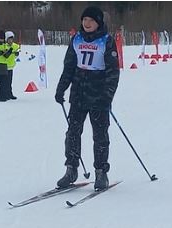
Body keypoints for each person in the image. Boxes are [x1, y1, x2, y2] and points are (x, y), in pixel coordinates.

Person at [55, 6, 120, 191]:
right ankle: (71, 169)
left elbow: (113, 72)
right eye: (84, 20)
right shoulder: (76, 39)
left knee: (100, 135)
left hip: (99, 96)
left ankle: (101, 172)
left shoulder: (106, 41)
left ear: (98, 22)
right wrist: (61, 89)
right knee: (72, 133)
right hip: (78, 95)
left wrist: (108, 95)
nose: (87, 23)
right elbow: (69, 67)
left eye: (91, 20)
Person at [4, 31, 21, 100]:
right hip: (4, 66)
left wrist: (17, 53)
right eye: (9, 39)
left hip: (11, 66)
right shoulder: (4, 46)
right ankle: (5, 94)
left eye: (11, 39)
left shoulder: (15, 46)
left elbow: (17, 52)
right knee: (5, 82)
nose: (10, 41)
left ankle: (9, 94)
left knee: (9, 82)